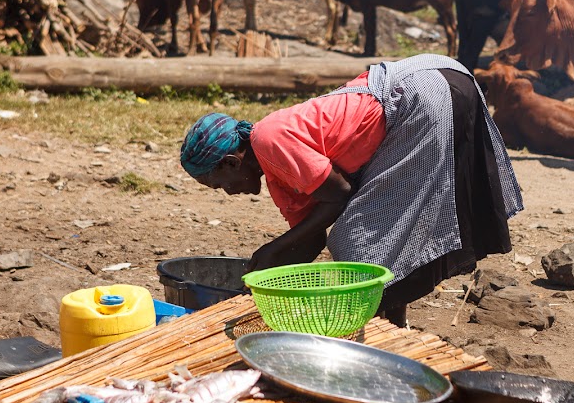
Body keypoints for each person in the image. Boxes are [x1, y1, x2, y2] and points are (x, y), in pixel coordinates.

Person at [179, 54, 523, 326]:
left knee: (356, 237)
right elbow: (309, 239)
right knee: (374, 228)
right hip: (441, 79)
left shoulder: (269, 139)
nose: (226, 192)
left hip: (423, 91)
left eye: (217, 184)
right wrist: (262, 284)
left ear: (230, 163)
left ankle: (382, 326)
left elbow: (341, 194)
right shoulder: (278, 178)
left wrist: (273, 249)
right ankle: (391, 322)